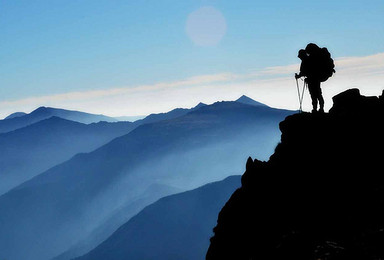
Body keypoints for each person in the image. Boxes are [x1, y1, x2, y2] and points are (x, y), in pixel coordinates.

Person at [295, 44, 325, 113]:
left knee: (314, 94)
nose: (300, 58)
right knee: (317, 94)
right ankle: (320, 109)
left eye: (300, 56)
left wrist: (298, 76)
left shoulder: (307, 61)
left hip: (312, 80)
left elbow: (303, 72)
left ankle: (316, 109)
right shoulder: (309, 60)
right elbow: (304, 72)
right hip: (315, 80)